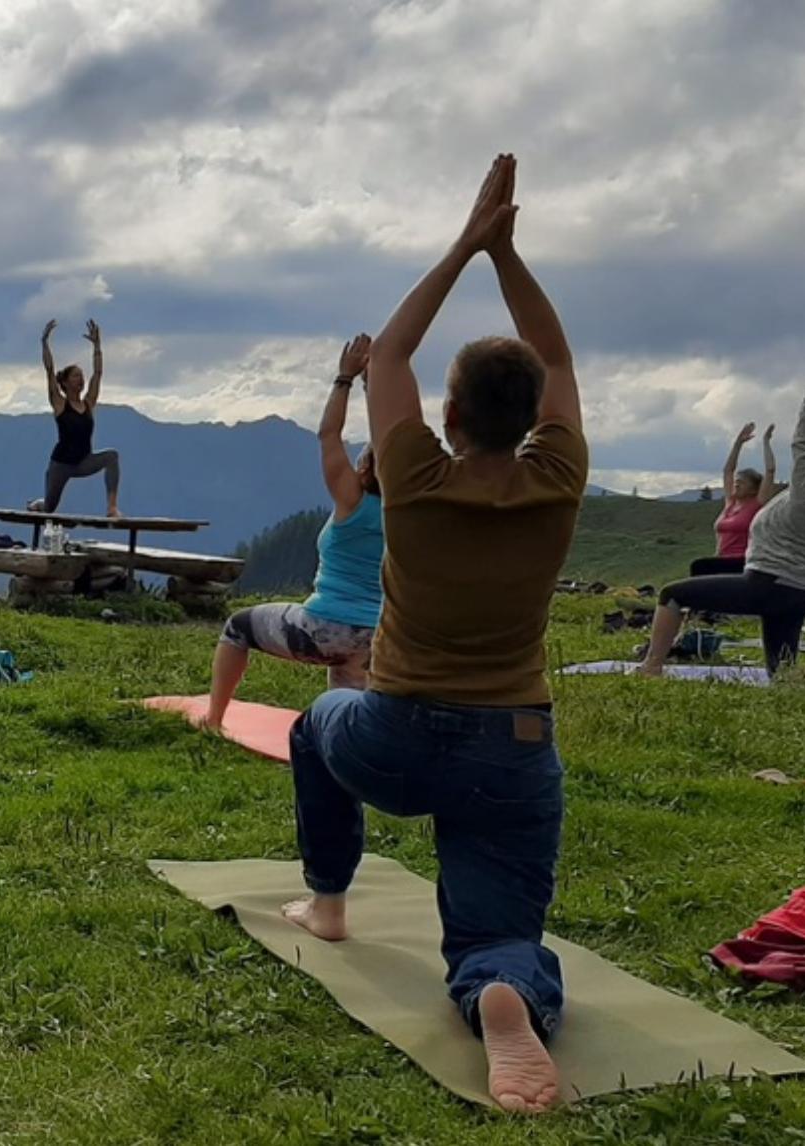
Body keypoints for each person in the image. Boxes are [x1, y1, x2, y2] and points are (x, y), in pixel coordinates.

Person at [283, 155, 585, 1115]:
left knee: (314, 723)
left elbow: (388, 358)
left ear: (448, 418)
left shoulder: (412, 473)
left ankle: (328, 902)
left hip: (396, 735)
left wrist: (466, 245)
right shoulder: (558, 477)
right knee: (500, 921)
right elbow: (562, 362)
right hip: (512, 745)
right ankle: (499, 989)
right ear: (531, 416)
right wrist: (510, 256)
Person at [638, 360, 805, 680]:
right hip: (798, 593)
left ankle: (651, 666)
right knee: (783, 674)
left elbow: (802, 445)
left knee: (672, 593)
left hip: (767, 584)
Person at [205, 333, 383, 721]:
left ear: (364, 469)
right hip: (377, 637)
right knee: (347, 690)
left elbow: (328, 435)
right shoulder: (409, 509)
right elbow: (394, 446)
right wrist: (376, 384)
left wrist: (345, 379)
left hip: (323, 629)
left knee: (237, 627)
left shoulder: (351, 500)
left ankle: (214, 718)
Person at [32, 317, 120, 516]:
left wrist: (97, 346)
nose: (81, 379)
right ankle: (37, 505)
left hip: (83, 462)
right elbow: (49, 370)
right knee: (48, 509)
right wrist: (44, 342)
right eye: (76, 376)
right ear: (64, 382)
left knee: (112, 456)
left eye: (81, 376)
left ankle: (112, 507)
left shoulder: (88, 403)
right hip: (61, 465)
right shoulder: (60, 403)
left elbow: (98, 373)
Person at [689, 421, 775, 577]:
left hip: (743, 561)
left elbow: (770, 471)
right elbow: (728, 471)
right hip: (722, 559)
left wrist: (766, 442)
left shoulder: (756, 504)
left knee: (699, 566)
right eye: (736, 481)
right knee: (702, 570)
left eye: (742, 482)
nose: (736, 484)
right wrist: (738, 443)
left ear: (754, 489)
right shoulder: (730, 503)